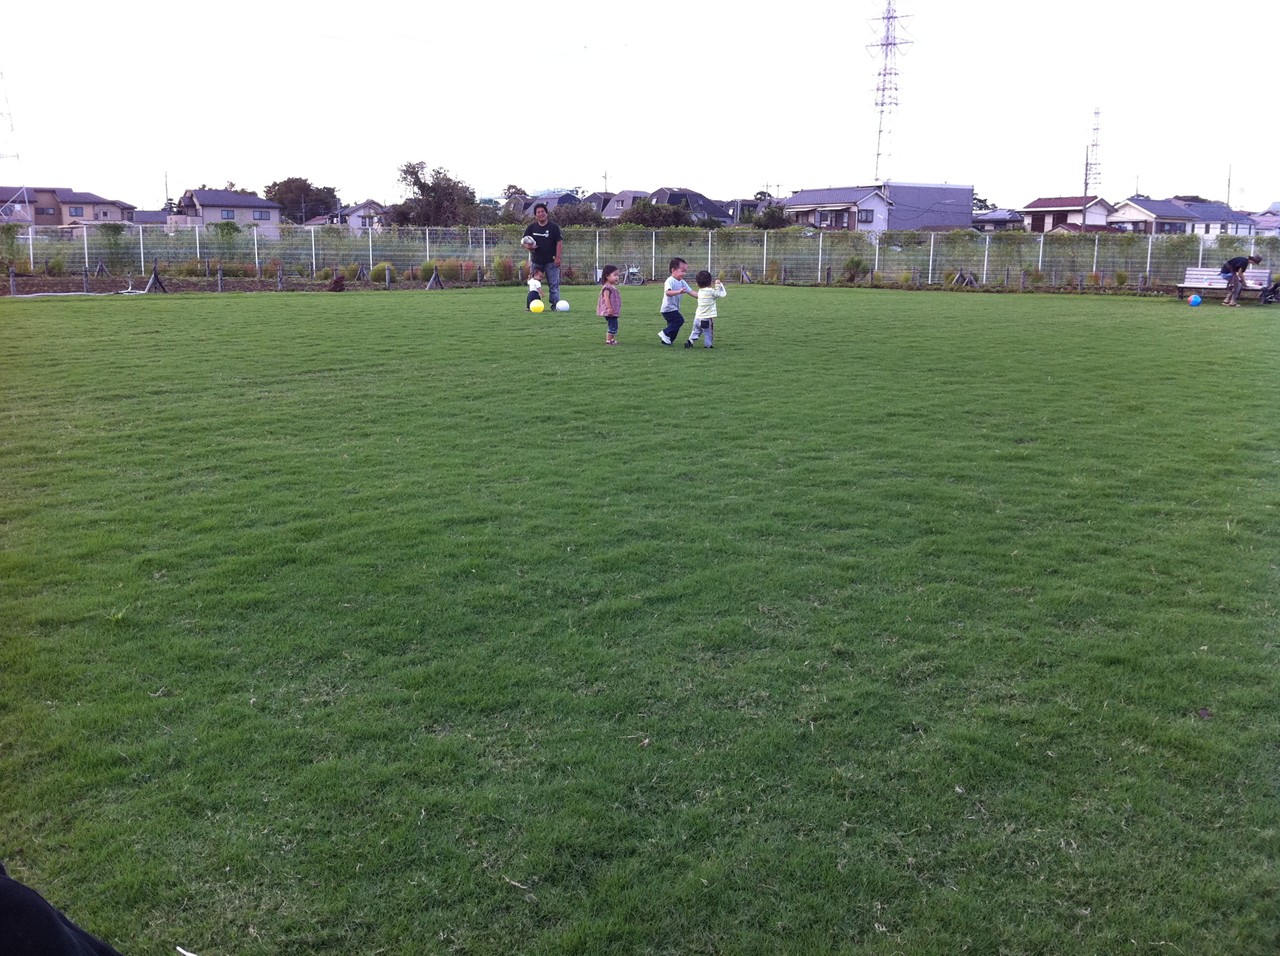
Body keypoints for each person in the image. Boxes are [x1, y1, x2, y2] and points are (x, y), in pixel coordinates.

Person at [521, 202, 563, 309]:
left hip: (551, 261)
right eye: (538, 212)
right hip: (536, 261)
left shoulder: (554, 228)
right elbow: (523, 242)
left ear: (546, 213)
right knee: (533, 286)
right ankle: (532, 305)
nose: (541, 214)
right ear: (535, 215)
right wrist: (528, 247)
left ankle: (555, 306)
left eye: (542, 211)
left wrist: (558, 258)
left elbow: (559, 242)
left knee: (553, 285)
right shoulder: (531, 228)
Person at [658, 257, 696, 345]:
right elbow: (668, 292)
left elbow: (691, 291)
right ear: (673, 270)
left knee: (674, 326)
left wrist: (703, 296)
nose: (684, 273)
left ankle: (666, 341)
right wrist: (678, 292)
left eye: (685, 271)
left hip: (674, 308)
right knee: (679, 320)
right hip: (668, 308)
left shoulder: (682, 282)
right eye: (682, 271)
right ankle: (665, 333)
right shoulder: (669, 281)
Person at [685, 270, 726, 348]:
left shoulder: (700, 292)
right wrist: (717, 285)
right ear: (710, 282)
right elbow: (717, 294)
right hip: (706, 318)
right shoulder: (711, 291)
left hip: (697, 318)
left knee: (696, 331)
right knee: (708, 332)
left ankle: (690, 341)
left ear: (697, 284)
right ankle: (708, 345)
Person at [597, 264, 622, 345]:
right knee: (613, 326)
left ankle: (612, 340)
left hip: (614, 311)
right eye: (615, 275)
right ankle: (608, 340)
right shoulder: (607, 288)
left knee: (614, 325)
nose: (617, 277)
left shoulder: (612, 286)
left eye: (618, 275)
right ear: (607, 276)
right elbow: (606, 298)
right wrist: (609, 308)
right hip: (610, 311)